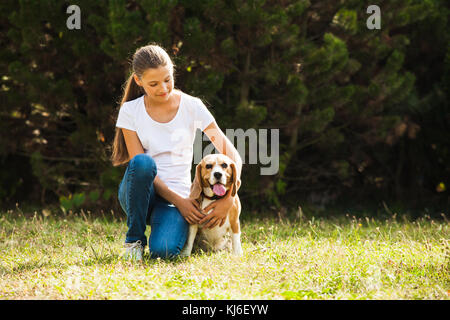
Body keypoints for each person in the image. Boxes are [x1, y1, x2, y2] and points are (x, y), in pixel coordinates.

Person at [111, 44, 242, 261]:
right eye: (153, 83)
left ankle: (162, 228)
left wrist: (229, 197)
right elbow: (137, 164)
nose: (163, 88)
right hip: (141, 191)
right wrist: (180, 201)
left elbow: (233, 156)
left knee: (164, 251)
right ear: (138, 81)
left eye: (167, 79)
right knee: (143, 163)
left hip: (176, 200)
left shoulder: (192, 106)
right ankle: (134, 241)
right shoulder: (130, 111)